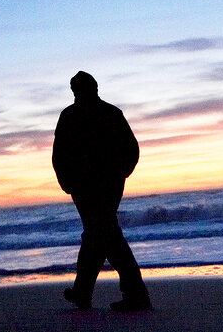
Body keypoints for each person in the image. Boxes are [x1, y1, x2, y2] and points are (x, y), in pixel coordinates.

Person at [52, 71, 151, 312]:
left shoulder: (99, 114)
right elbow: (59, 155)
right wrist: (69, 183)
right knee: (100, 235)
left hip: (99, 187)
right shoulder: (78, 115)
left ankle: (132, 294)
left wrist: (120, 174)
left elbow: (131, 150)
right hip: (90, 187)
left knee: (104, 236)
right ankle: (85, 293)